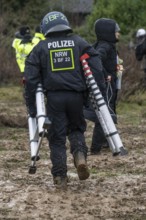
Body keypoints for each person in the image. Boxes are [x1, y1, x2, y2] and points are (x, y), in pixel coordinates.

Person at [24, 11, 106, 190]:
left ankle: (60, 176)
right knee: (76, 129)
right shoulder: (79, 42)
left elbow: (30, 79)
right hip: (76, 96)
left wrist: (32, 107)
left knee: (57, 138)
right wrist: (91, 94)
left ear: (46, 28)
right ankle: (80, 157)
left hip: (54, 99)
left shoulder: (41, 47)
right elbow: (96, 67)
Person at [84, 18, 121, 154]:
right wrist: (106, 74)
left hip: (109, 84)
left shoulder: (107, 45)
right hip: (107, 85)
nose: (118, 32)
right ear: (107, 32)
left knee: (108, 112)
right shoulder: (104, 46)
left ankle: (105, 142)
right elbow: (97, 59)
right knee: (105, 114)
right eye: (116, 30)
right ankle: (95, 148)